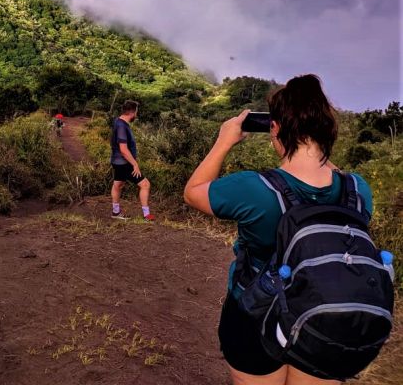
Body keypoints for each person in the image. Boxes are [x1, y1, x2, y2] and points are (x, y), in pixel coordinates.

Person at [183, 74, 375, 385]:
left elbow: (193, 192)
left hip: (256, 318)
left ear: (275, 128)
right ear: (327, 131)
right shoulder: (358, 189)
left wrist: (224, 139)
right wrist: (321, 152)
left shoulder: (253, 189)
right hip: (327, 319)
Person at [110, 100, 154, 220]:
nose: (136, 115)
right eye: (136, 112)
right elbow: (123, 149)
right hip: (124, 162)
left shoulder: (118, 122)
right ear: (132, 112)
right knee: (145, 184)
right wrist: (135, 164)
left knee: (118, 184)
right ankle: (147, 215)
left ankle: (115, 212)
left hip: (117, 161)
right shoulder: (122, 126)